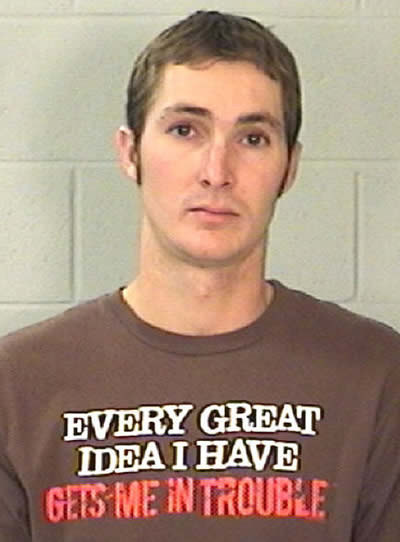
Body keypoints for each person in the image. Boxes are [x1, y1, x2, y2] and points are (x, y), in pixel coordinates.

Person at [0, 10, 399, 542]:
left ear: (289, 167)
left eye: (253, 138)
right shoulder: (17, 384)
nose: (217, 171)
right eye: (185, 130)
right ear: (130, 152)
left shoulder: (377, 376)